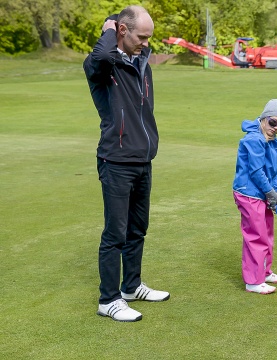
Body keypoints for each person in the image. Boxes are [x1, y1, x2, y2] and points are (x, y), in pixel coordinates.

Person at [84, 5, 169, 322]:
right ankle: (109, 299)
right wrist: (108, 27)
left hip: (142, 160)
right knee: (115, 234)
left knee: (137, 229)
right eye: (141, 36)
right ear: (121, 30)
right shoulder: (102, 66)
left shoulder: (142, 65)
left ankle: (131, 286)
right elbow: (103, 56)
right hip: (116, 160)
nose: (146, 43)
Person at [233, 99, 277, 294]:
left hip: (263, 193)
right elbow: (257, 171)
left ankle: (264, 272)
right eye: (272, 122)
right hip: (249, 193)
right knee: (256, 236)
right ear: (264, 118)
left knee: (267, 234)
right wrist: (270, 192)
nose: (275, 128)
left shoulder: (272, 141)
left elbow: (274, 170)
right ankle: (253, 281)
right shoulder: (253, 140)